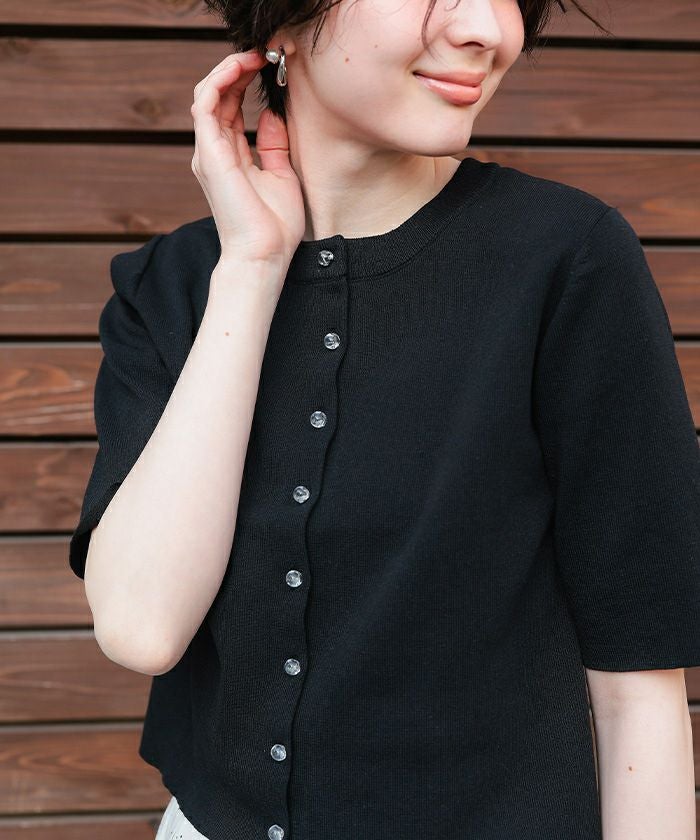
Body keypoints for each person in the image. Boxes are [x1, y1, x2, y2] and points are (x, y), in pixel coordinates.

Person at [68, 2, 700, 839]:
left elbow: (638, 690)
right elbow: (142, 628)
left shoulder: (564, 259)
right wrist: (252, 267)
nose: (486, 30)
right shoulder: (175, 283)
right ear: (282, 23)